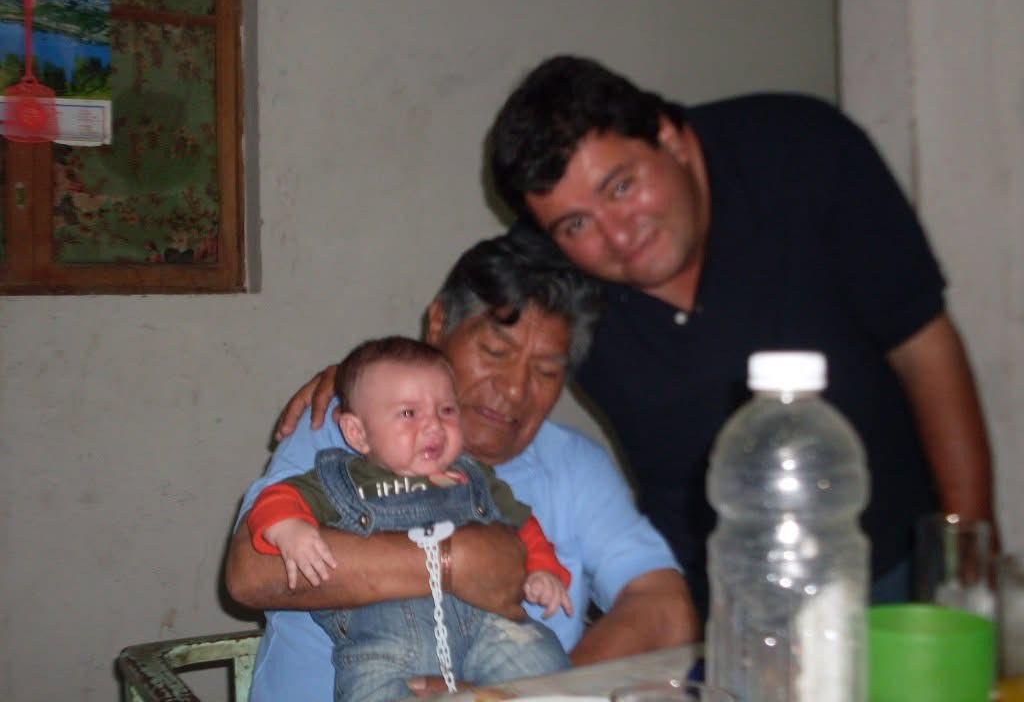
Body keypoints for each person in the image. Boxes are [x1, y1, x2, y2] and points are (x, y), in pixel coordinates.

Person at [279, 54, 996, 622]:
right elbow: (471, 328)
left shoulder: (806, 155)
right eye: (575, 226)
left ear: (670, 136)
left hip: (884, 556)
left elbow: (926, 352)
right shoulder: (553, 262)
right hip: (711, 590)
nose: (618, 236)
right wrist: (363, 379)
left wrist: (965, 568)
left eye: (621, 186)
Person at [225, 228, 698, 702]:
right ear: (438, 325)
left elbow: (665, 606)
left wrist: (534, 694)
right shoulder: (340, 430)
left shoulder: (572, 464)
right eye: (495, 352)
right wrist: (454, 561)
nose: (513, 389)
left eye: (546, 370)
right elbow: (251, 572)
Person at [249, 335, 572, 701]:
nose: (433, 427)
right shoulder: (339, 481)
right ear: (358, 433)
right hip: (383, 652)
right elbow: (277, 499)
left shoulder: (474, 477)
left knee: (542, 665)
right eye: (408, 414)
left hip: (490, 631)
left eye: (446, 410)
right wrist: (288, 527)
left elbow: (522, 525)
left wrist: (544, 569)